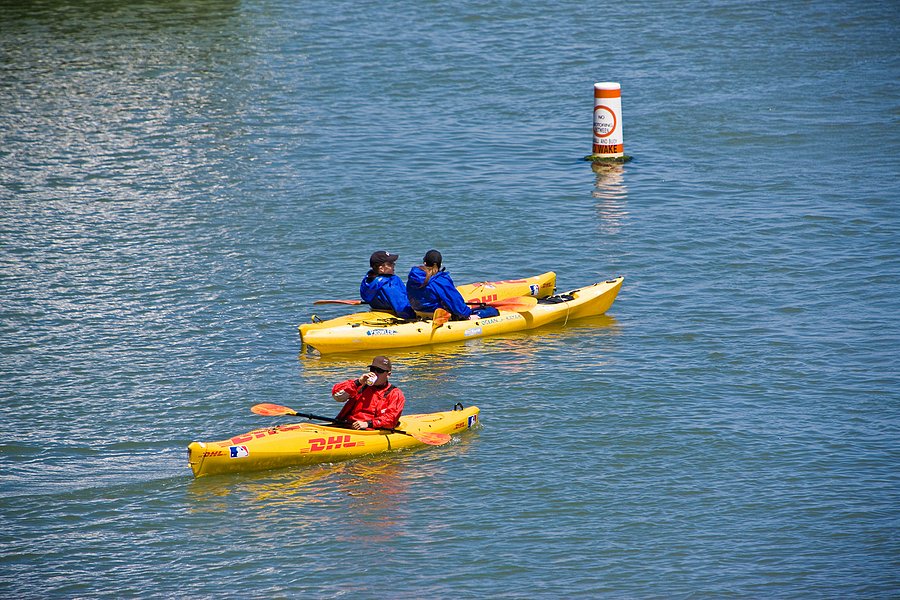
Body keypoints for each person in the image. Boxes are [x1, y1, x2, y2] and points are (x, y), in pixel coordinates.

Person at [406, 249, 500, 320]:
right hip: (439, 316)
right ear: (439, 264)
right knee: (491, 311)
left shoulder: (413, 277)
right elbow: (454, 301)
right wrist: (467, 314)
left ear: (424, 262)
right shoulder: (440, 280)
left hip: (419, 313)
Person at [331, 356, 405, 430]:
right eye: (372, 369)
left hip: (371, 430)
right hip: (348, 427)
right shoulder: (360, 385)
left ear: (388, 374)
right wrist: (358, 382)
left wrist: (368, 424)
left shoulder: (395, 393)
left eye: (379, 371)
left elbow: (391, 419)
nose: (375, 373)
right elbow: (337, 396)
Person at [360, 250, 416, 319]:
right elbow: (402, 308)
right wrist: (415, 316)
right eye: (390, 264)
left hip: (376, 311)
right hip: (395, 314)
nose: (394, 265)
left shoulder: (368, 280)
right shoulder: (389, 283)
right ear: (381, 268)